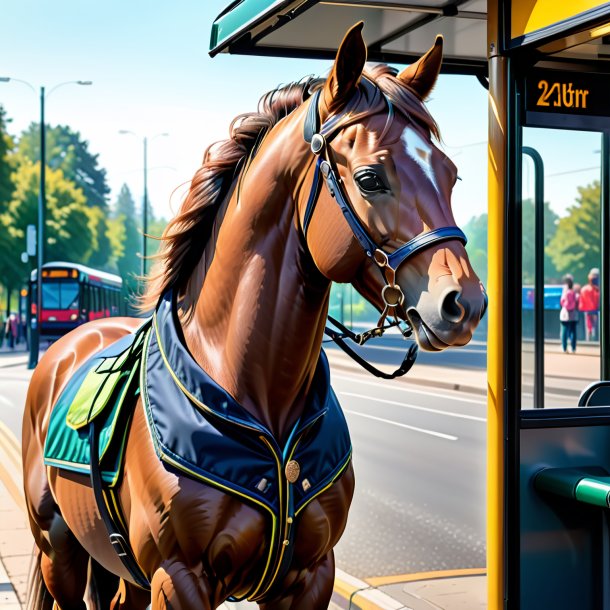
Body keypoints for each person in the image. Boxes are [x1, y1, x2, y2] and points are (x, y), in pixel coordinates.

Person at [579, 267, 600, 341]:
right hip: (591, 310)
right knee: (591, 326)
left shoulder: (585, 289)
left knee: (590, 326)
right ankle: (591, 338)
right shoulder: (588, 289)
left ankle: (591, 337)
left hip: (589, 310)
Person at [559, 274, 579, 353]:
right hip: (573, 314)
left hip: (565, 314)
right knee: (573, 332)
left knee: (564, 331)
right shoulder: (574, 292)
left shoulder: (565, 292)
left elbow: (562, 302)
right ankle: (573, 348)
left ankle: (564, 348)